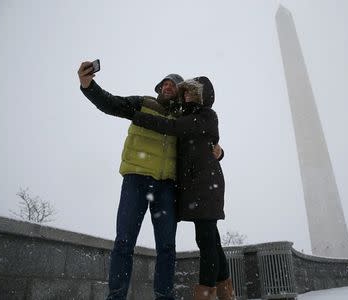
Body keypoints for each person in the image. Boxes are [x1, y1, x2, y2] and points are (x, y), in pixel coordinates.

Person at [77, 62, 222, 300]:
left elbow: (202, 142)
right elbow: (111, 103)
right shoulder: (143, 103)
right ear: (158, 88)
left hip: (166, 186)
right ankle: (116, 296)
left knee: (166, 247)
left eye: (173, 85)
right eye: (164, 83)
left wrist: (218, 150)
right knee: (124, 241)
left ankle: (164, 297)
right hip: (136, 180)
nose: (167, 87)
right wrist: (89, 85)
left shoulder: (183, 118)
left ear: (180, 92)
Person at [123, 76, 235, 300]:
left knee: (205, 238)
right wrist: (220, 152)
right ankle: (227, 294)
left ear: (203, 97)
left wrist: (134, 115)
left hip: (205, 186)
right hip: (193, 187)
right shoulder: (187, 116)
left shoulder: (205, 115)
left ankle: (205, 294)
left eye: (192, 93)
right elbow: (204, 147)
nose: (186, 96)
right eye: (185, 92)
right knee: (212, 239)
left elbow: (171, 127)